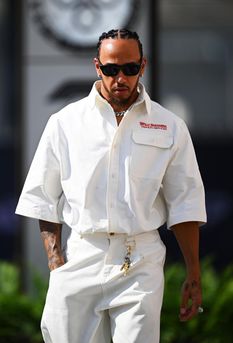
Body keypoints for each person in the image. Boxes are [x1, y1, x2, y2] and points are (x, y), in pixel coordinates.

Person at [15, 29, 207, 343]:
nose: (121, 77)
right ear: (97, 67)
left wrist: (194, 273)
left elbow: (185, 203)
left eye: (130, 69)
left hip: (140, 257)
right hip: (81, 253)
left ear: (142, 66)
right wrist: (56, 262)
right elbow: (43, 197)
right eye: (111, 69)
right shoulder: (65, 122)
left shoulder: (170, 125)